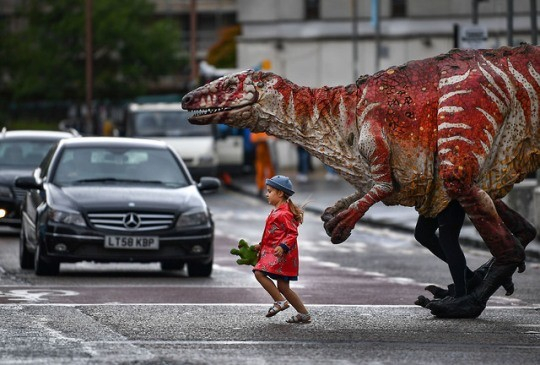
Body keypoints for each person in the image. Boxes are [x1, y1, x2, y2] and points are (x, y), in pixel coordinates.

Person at [253, 175, 311, 324]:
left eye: (270, 191)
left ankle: (279, 301)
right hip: (277, 252)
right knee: (284, 287)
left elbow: (292, 233)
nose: (267, 194)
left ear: (280, 193)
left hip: (283, 254)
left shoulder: (284, 213)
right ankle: (303, 314)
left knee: (259, 272)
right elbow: (272, 234)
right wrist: (260, 245)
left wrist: (283, 246)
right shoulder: (276, 211)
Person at [251, 132, 276, 196]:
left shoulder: (267, 129)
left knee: (270, 169)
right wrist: (264, 138)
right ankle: (261, 188)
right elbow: (253, 138)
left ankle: (271, 187)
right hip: (261, 152)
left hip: (268, 152)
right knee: (260, 170)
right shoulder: (257, 130)